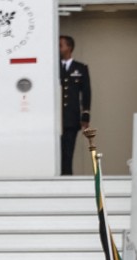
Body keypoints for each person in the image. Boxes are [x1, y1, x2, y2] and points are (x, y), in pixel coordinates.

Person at [58, 35, 92, 176]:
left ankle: (67, 178)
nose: (58, 49)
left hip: (70, 117)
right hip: (55, 117)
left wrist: (85, 116)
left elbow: (86, 92)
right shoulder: (52, 67)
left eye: (61, 45)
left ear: (69, 48)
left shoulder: (80, 68)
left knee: (68, 152)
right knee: (55, 153)